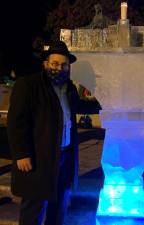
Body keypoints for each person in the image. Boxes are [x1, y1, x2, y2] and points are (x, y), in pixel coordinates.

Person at [7, 40, 92, 225]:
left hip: (64, 156)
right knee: (34, 208)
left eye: (64, 65)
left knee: (59, 205)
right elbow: (17, 122)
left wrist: (114, 104)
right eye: (54, 64)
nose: (59, 68)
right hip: (38, 159)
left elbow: (83, 106)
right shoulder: (28, 85)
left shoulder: (69, 89)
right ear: (45, 64)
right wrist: (22, 153)